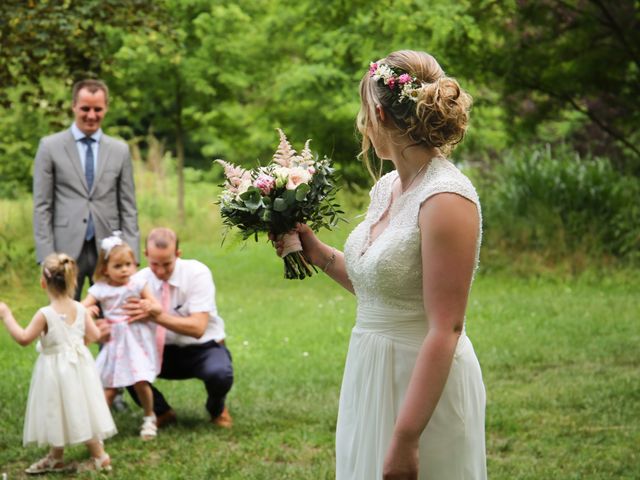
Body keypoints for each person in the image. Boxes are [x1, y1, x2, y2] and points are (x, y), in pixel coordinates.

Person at [273, 50, 486, 479]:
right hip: (370, 370)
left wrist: (406, 438)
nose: (362, 123)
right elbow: (382, 286)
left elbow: (446, 327)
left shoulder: (446, 200)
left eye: (364, 112)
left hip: (421, 384)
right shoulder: (388, 186)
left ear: (381, 115)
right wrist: (316, 251)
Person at [0, 253, 116, 474]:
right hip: (80, 368)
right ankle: (56, 457)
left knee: (60, 408)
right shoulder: (81, 308)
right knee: (78, 407)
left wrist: (6, 315)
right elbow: (94, 336)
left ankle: (100, 457)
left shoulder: (45, 314)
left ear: (43, 283)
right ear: (73, 280)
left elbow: (24, 338)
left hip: (54, 371)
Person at [32, 78, 140, 300]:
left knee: (112, 323)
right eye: (85, 109)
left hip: (111, 250)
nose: (91, 115)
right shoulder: (50, 146)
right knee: (65, 320)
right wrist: (46, 256)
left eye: (97, 109)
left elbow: (128, 206)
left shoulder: (120, 150)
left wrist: (132, 255)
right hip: (65, 249)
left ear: (106, 108)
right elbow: (42, 206)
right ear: (73, 106)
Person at [120, 227, 234, 428]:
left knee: (220, 374)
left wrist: (157, 316)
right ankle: (161, 411)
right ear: (146, 255)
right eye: (155, 264)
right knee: (123, 363)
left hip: (202, 347)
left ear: (178, 255)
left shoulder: (197, 273)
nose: (161, 271)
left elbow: (198, 327)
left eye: (167, 264)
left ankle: (217, 408)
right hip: (159, 350)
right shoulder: (137, 281)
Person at [82, 233, 160, 440]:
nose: (125, 269)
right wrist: (88, 312)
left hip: (135, 340)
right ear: (104, 269)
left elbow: (156, 305)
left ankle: (149, 417)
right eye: (118, 266)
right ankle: (100, 426)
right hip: (114, 342)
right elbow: (81, 308)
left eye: (128, 264)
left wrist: (148, 305)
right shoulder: (100, 289)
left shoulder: (138, 284)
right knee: (109, 388)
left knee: (140, 381)